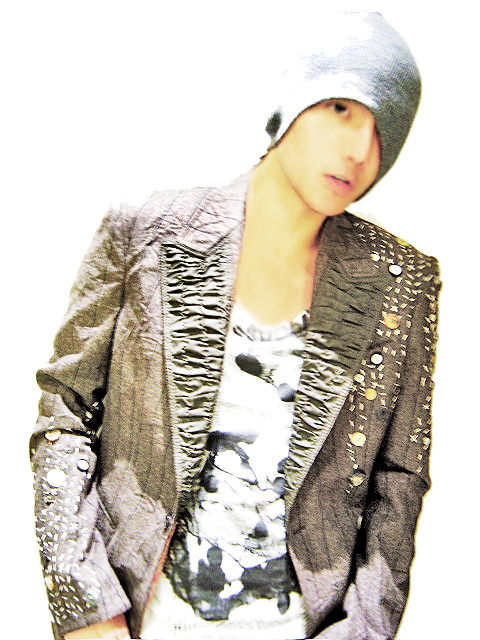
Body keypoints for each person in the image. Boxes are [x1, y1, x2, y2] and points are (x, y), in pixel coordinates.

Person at [30, 12, 441, 640]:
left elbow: (399, 481)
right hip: (141, 621)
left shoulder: (402, 282)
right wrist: (86, 606)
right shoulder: (146, 230)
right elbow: (64, 412)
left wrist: (363, 631)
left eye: (383, 130)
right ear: (293, 99)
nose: (360, 150)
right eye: (340, 108)